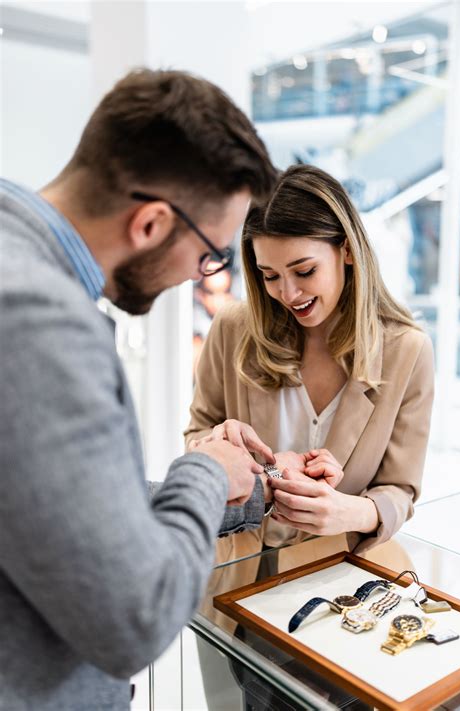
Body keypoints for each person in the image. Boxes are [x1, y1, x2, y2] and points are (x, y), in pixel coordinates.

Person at [0, 69, 278, 711]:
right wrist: (204, 471)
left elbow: (60, 505)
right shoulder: (41, 322)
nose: (201, 275)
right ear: (152, 224)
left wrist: (240, 489)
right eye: (211, 254)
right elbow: (137, 619)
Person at [186, 164, 435, 572]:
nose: (288, 293)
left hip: (336, 577)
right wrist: (216, 446)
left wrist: (349, 512)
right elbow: (196, 435)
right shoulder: (233, 329)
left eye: (304, 271)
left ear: (348, 250)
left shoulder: (407, 350)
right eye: (270, 275)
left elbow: (401, 489)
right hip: (232, 571)